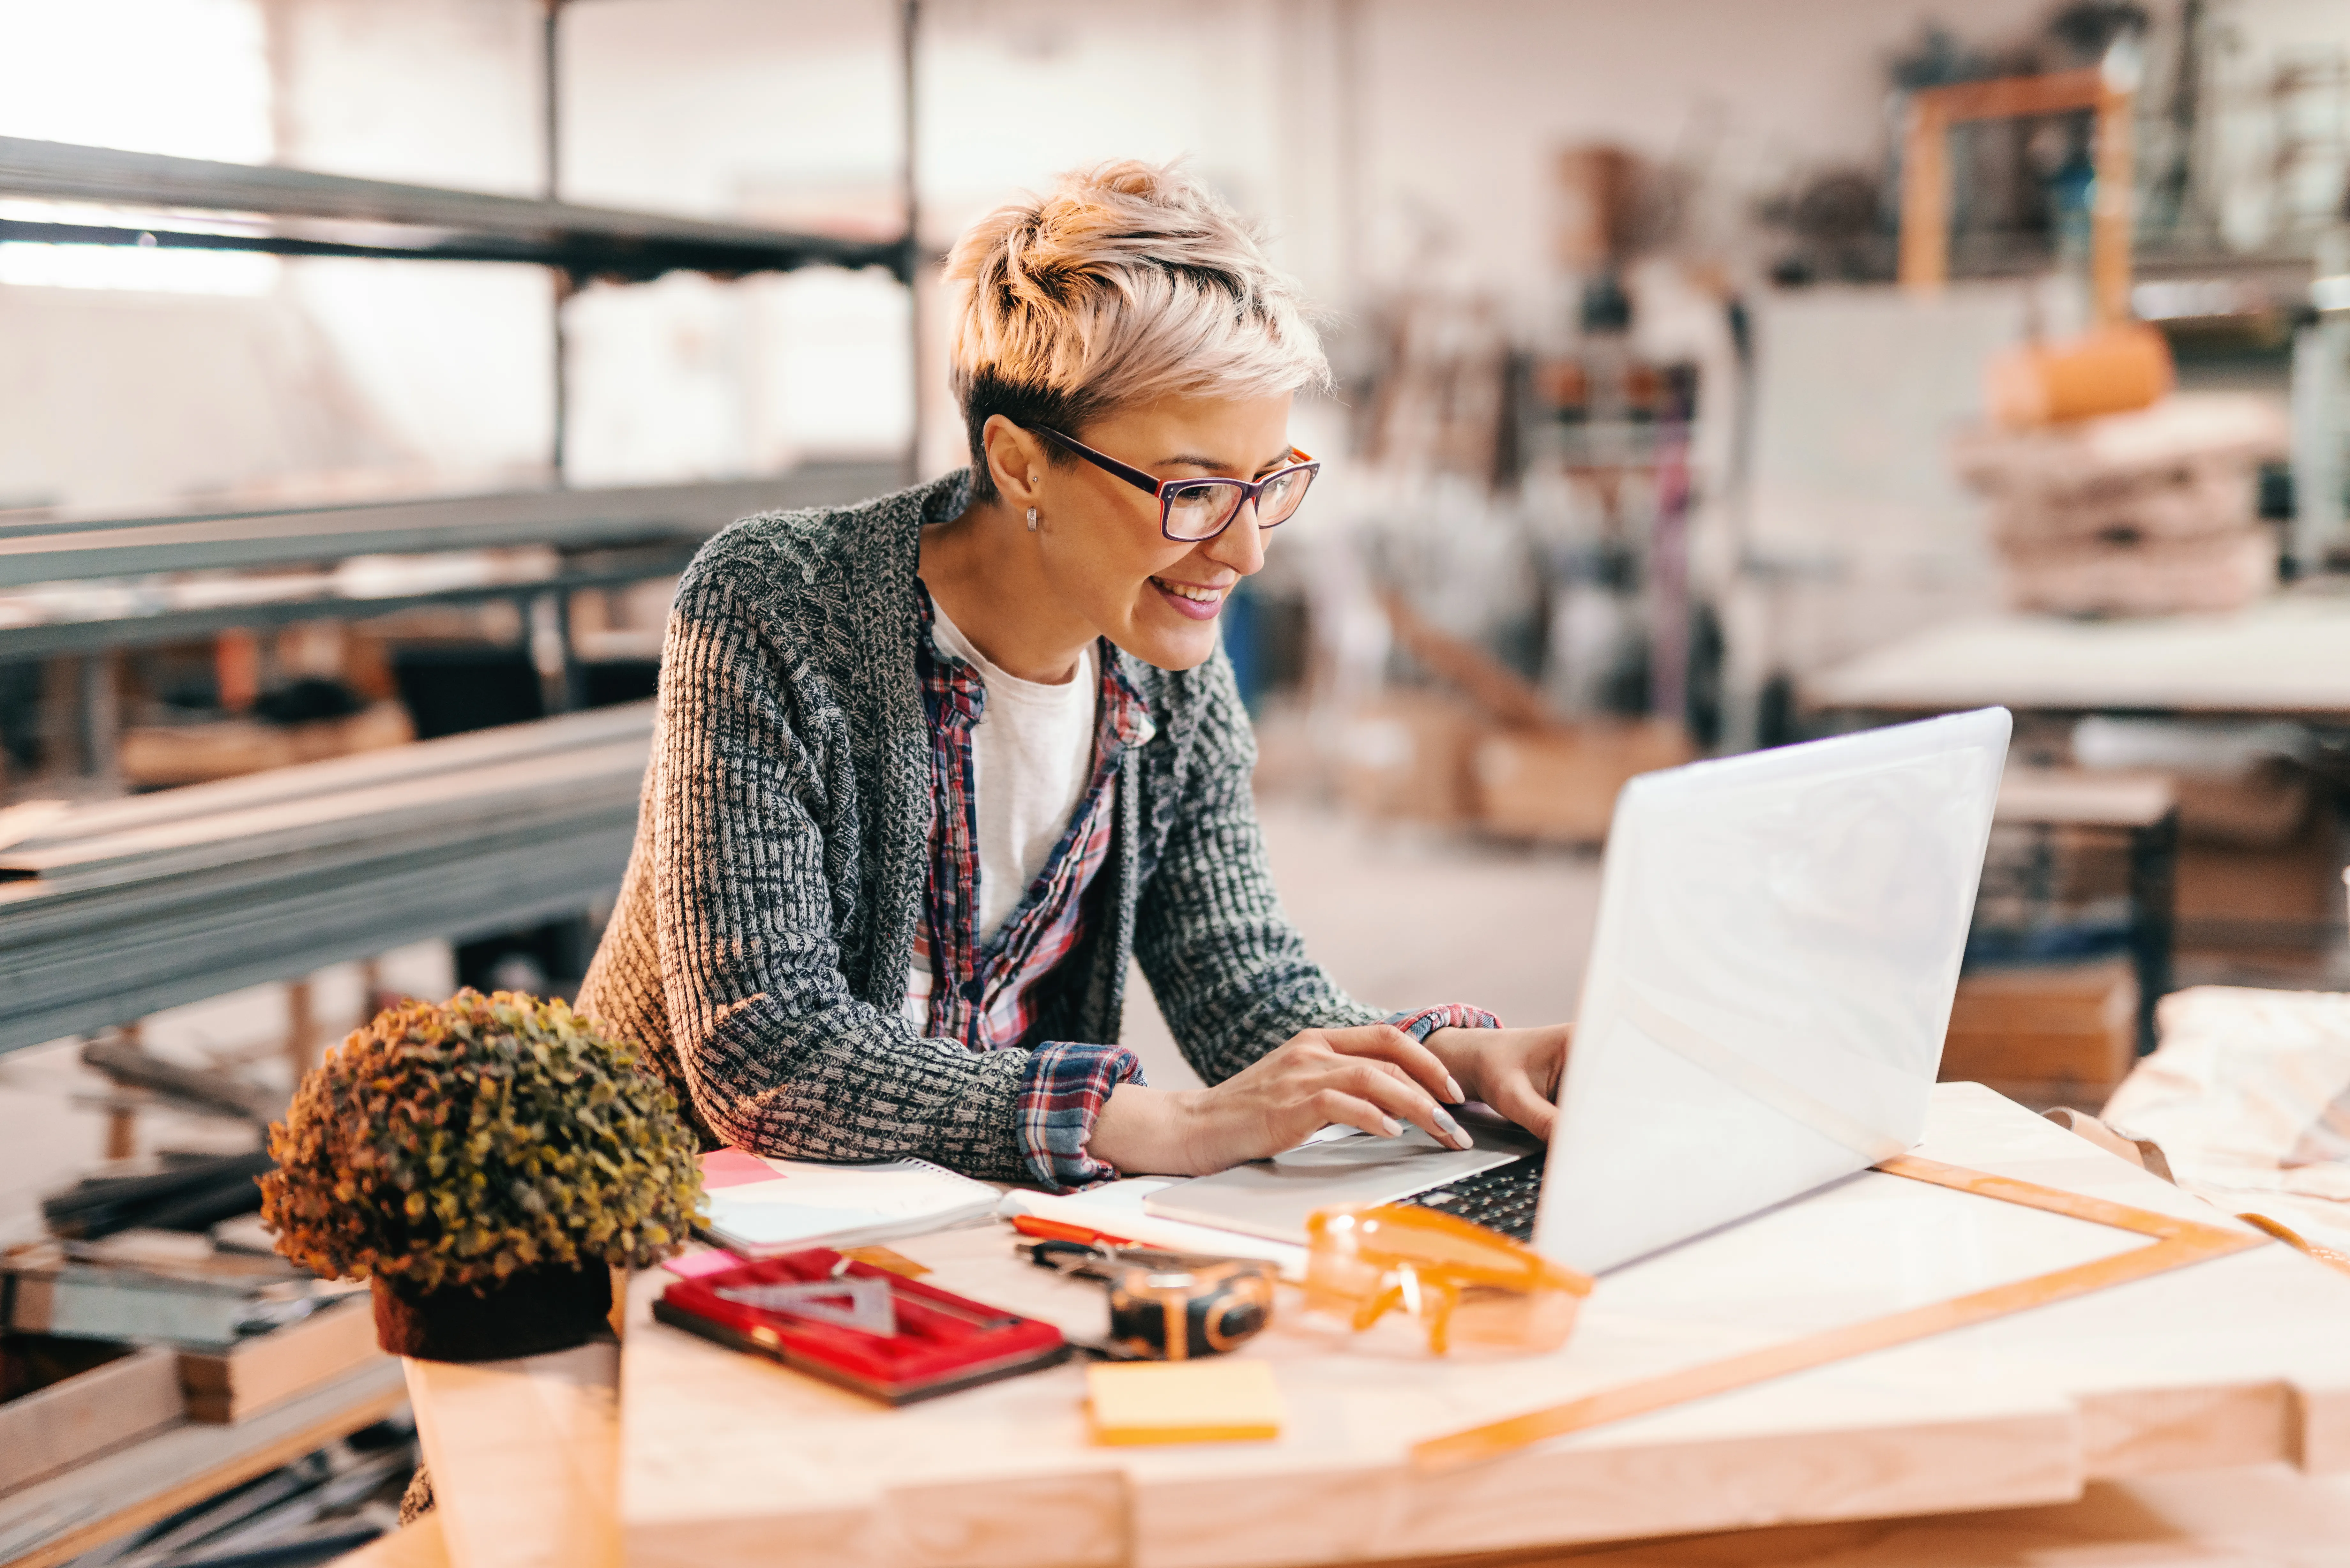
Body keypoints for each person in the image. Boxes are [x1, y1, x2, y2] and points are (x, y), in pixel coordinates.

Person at [576, 160, 1571, 1192]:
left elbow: (1243, 984)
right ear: (1017, 465)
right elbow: (766, 1054)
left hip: (963, 1221)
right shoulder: (777, 607)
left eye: (1266, 486)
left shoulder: (1164, 663)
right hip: (673, 1224)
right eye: (1191, 492)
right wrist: (1172, 1122)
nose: (1244, 555)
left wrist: (1462, 1068)